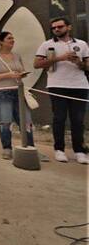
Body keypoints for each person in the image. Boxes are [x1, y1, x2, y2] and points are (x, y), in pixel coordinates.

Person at [34, 17, 89, 164]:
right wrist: (60, 58)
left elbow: (88, 66)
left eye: (60, 27)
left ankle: (80, 151)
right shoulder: (47, 44)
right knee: (59, 119)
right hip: (57, 85)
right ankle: (59, 149)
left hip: (79, 85)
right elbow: (37, 64)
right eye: (54, 28)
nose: (56, 30)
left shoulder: (82, 44)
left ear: (69, 27)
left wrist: (79, 62)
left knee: (78, 120)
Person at [0, 32, 35, 160]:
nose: (13, 40)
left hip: (18, 91)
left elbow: (20, 70)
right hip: (1, 92)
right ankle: (7, 148)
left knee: (26, 121)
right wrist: (8, 75)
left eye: (13, 37)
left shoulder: (17, 55)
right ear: (0, 41)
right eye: (9, 38)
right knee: (5, 121)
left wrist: (22, 74)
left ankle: (30, 148)